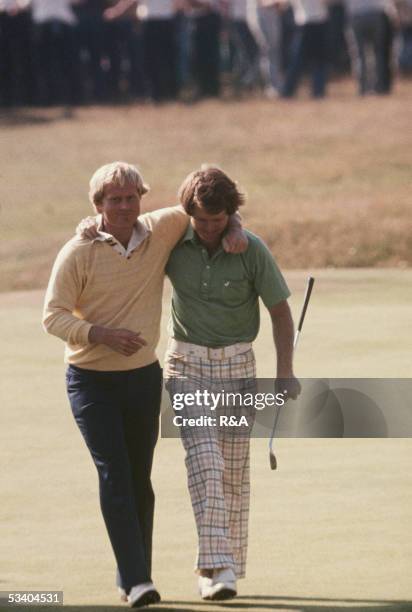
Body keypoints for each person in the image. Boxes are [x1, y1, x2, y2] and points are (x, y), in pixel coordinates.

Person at [43, 161, 245, 608]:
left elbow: (211, 209)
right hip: (90, 381)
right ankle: (137, 581)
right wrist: (100, 333)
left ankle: (134, 577)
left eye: (131, 197)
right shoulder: (77, 251)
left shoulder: (162, 227)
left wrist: (237, 227)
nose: (123, 206)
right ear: (98, 204)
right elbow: (52, 316)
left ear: (141, 199)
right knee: (114, 473)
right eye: (113, 199)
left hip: (141, 378)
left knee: (139, 479)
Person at [164, 166, 301, 601]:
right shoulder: (171, 239)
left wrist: (285, 373)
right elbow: (131, 228)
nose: (207, 230)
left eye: (218, 220)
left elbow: (280, 312)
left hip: (238, 366)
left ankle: (226, 570)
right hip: (185, 365)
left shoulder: (251, 249)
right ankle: (216, 567)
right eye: (200, 221)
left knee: (233, 475)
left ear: (231, 213)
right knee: (206, 461)